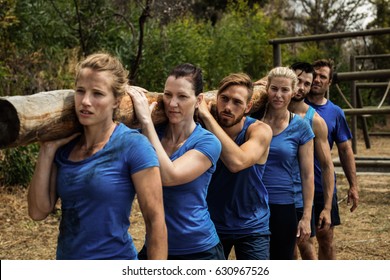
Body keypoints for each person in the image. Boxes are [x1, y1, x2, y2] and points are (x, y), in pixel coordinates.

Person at [27, 53, 167, 260]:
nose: (85, 101)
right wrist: (47, 150)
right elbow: (38, 212)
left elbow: (155, 222)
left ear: (116, 101)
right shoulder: (64, 147)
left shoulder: (133, 146)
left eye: (97, 94)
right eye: (80, 91)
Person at [128, 63, 225, 260]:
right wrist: (124, 90)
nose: (172, 103)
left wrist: (146, 122)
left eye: (182, 96)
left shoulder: (208, 142)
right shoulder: (148, 136)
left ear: (198, 100)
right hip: (155, 246)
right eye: (168, 94)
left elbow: (169, 175)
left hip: (198, 250)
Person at [197, 73, 273, 260]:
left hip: (252, 224)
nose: (228, 107)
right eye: (224, 99)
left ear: (248, 107)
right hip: (212, 223)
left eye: (237, 102)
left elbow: (237, 162)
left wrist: (207, 117)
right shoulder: (200, 127)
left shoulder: (259, 130)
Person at [305, 58, 359, 260]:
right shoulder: (293, 106)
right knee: (299, 240)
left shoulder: (335, 112)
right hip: (295, 186)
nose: (317, 80)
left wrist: (353, 185)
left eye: (322, 77)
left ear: (329, 83)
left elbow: (345, 151)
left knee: (325, 239)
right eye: (315, 75)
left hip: (322, 186)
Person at [260, 66, 315, 260]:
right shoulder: (252, 121)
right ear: (267, 89)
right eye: (274, 88)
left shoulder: (300, 127)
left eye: (284, 90)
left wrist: (307, 217)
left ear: (293, 92)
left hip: (283, 205)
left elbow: (308, 175)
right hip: (252, 204)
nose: (278, 95)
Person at [288, 62, 335, 260]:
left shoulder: (314, 120)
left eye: (306, 84)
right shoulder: (265, 110)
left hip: (300, 195)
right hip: (268, 194)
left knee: (306, 246)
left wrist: (327, 207)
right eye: (297, 81)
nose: (301, 87)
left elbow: (326, 166)